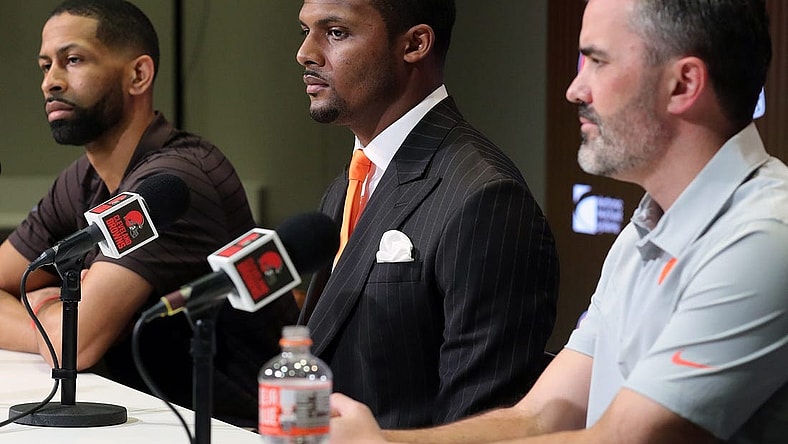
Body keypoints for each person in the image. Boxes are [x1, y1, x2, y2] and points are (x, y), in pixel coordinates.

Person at [326, 0, 788, 442]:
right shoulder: (640, 234)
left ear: (683, 85)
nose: (575, 89)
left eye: (597, 62)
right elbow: (539, 416)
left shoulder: (763, 238)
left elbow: (623, 438)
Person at [0, 0, 298, 427]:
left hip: (232, 428)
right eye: (45, 66)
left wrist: (44, 305)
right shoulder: (83, 178)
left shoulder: (175, 183)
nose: (51, 81)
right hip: (144, 414)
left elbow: (74, 345)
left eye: (73, 60)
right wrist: (50, 319)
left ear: (138, 75)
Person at [295, 0, 560, 430]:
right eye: (304, 31)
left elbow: (477, 421)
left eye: (336, 33)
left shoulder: (487, 198)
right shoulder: (352, 179)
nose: (305, 53)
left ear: (415, 44)